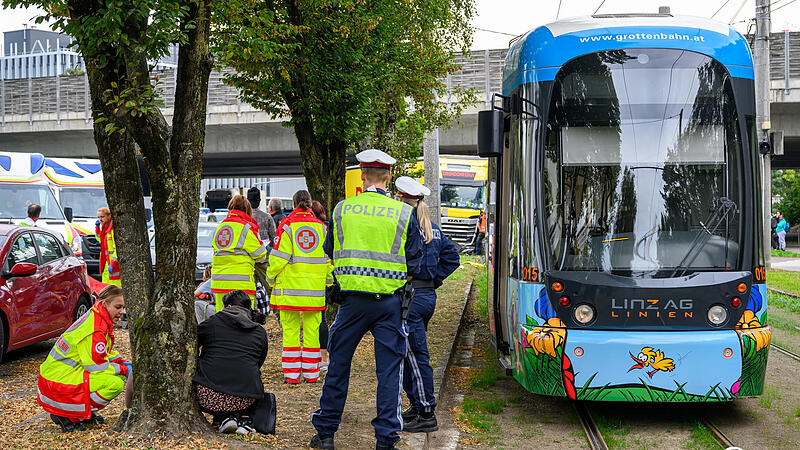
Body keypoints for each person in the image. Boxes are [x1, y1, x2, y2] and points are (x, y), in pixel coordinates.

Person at [310, 149, 423, 450]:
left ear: (362, 175)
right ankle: (386, 441)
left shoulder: (342, 210)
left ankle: (325, 434)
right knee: (389, 373)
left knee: (338, 366)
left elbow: (330, 248)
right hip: (389, 305)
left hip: (351, 305)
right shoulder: (402, 213)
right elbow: (416, 261)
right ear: (388, 176)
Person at [394, 176, 460, 433]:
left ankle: (425, 410)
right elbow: (452, 259)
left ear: (402, 199)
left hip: (410, 298)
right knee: (411, 354)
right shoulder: (433, 229)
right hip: (426, 297)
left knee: (414, 355)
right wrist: (434, 280)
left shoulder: (403, 229)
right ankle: (416, 405)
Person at [38, 285, 131, 432]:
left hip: (56, 377)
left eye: (123, 307)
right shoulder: (97, 328)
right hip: (58, 381)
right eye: (118, 307)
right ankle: (68, 415)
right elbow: (96, 366)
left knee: (116, 379)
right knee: (114, 384)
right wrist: (124, 368)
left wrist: (120, 361)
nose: (121, 312)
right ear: (105, 303)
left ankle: (79, 414)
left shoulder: (97, 316)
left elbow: (100, 353)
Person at [267, 190, 333, 384]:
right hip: (314, 289)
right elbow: (327, 258)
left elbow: (278, 259)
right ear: (310, 204)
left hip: (290, 289)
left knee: (291, 332)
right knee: (313, 332)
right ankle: (312, 374)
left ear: (294, 204)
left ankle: (292, 374)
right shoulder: (322, 228)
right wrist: (328, 280)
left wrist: (270, 277)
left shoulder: (286, 226)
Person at [194, 290, 268, 435]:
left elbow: (192, 346)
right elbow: (258, 362)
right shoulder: (259, 331)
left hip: (208, 397)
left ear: (227, 306)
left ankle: (226, 418)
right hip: (247, 398)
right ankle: (239, 419)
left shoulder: (212, 323)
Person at [211, 195, 269, 312]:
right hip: (241, 284)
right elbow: (260, 254)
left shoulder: (220, 227)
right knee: (244, 320)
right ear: (247, 209)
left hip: (219, 283)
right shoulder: (245, 228)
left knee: (222, 320)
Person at [311, 200, 332, 370]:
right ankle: (323, 357)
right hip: (321, 280)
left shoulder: (311, 228)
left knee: (314, 321)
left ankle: (313, 358)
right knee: (321, 319)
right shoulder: (326, 228)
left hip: (306, 281)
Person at [96, 207, 121, 287]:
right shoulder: (104, 228)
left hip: (114, 264)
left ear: (109, 216)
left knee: (115, 290)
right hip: (107, 263)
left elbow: (117, 247)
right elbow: (100, 239)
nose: (100, 219)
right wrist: (97, 229)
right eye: (99, 217)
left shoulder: (112, 229)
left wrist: (113, 263)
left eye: (102, 217)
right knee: (105, 287)